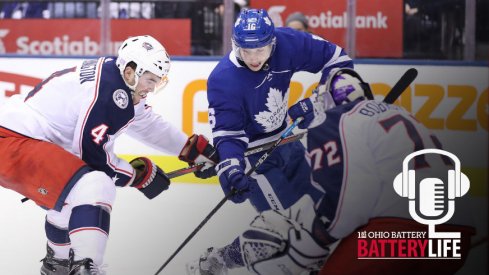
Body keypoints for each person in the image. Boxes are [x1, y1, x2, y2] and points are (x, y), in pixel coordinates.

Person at [189, 68, 476, 274]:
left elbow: (344, 205)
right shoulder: (402, 115)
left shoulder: (339, 122)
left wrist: (313, 243)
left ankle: (221, 261)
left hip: (395, 237)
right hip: (453, 239)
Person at [0, 35, 217, 275]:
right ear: (131, 71)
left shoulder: (117, 79)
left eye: (157, 81)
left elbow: (144, 122)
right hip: (14, 142)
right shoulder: (108, 94)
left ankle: (57, 265)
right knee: (95, 184)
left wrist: (189, 150)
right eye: (150, 80)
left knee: (73, 193)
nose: (152, 88)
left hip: (17, 140)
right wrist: (137, 175)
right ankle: (86, 268)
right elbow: (93, 158)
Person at [186, 8, 352, 274]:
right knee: (285, 229)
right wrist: (231, 168)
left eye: (260, 51)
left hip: (289, 142)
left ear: (272, 42)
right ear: (234, 44)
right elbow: (228, 134)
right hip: (255, 158)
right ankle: (219, 261)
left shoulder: (289, 42)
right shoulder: (223, 78)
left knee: (322, 217)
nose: (253, 58)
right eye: (246, 51)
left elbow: (338, 59)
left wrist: (320, 101)